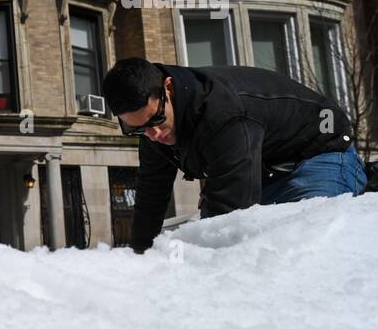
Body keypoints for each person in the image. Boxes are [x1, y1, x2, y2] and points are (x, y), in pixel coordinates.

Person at [102, 57, 366, 254]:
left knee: (303, 250)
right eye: (137, 129)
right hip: (264, 169)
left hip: (320, 153)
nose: (154, 134)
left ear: (168, 89)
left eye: (156, 119)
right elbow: (151, 193)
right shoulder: (153, 130)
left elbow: (229, 215)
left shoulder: (223, 111)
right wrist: (140, 258)